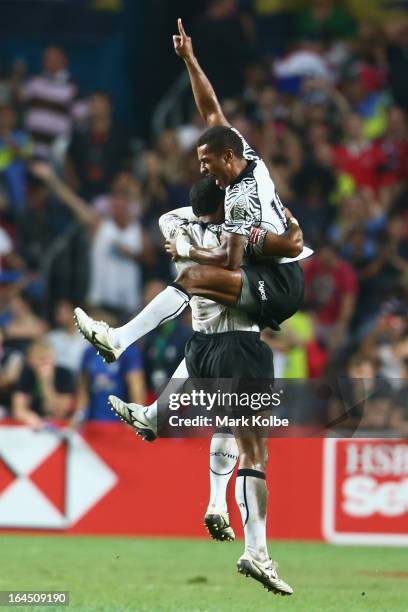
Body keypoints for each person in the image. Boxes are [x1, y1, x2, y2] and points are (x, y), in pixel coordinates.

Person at [108, 176, 294, 595]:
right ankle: (257, 551)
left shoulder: (177, 227)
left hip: (199, 344)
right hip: (240, 342)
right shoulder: (235, 238)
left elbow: (168, 215)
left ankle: (166, 431)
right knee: (254, 450)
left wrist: (201, 220)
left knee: (228, 426)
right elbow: (283, 246)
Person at [12, 339, 75, 430]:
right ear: (30, 361)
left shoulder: (64, 374)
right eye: (40, 359)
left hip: (60, 425)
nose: (44, 363)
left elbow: (60, 412)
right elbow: (18, 409)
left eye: (47, 358)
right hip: (34, 424)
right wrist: (29, 417)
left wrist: (46, 382)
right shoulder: (27, 374)